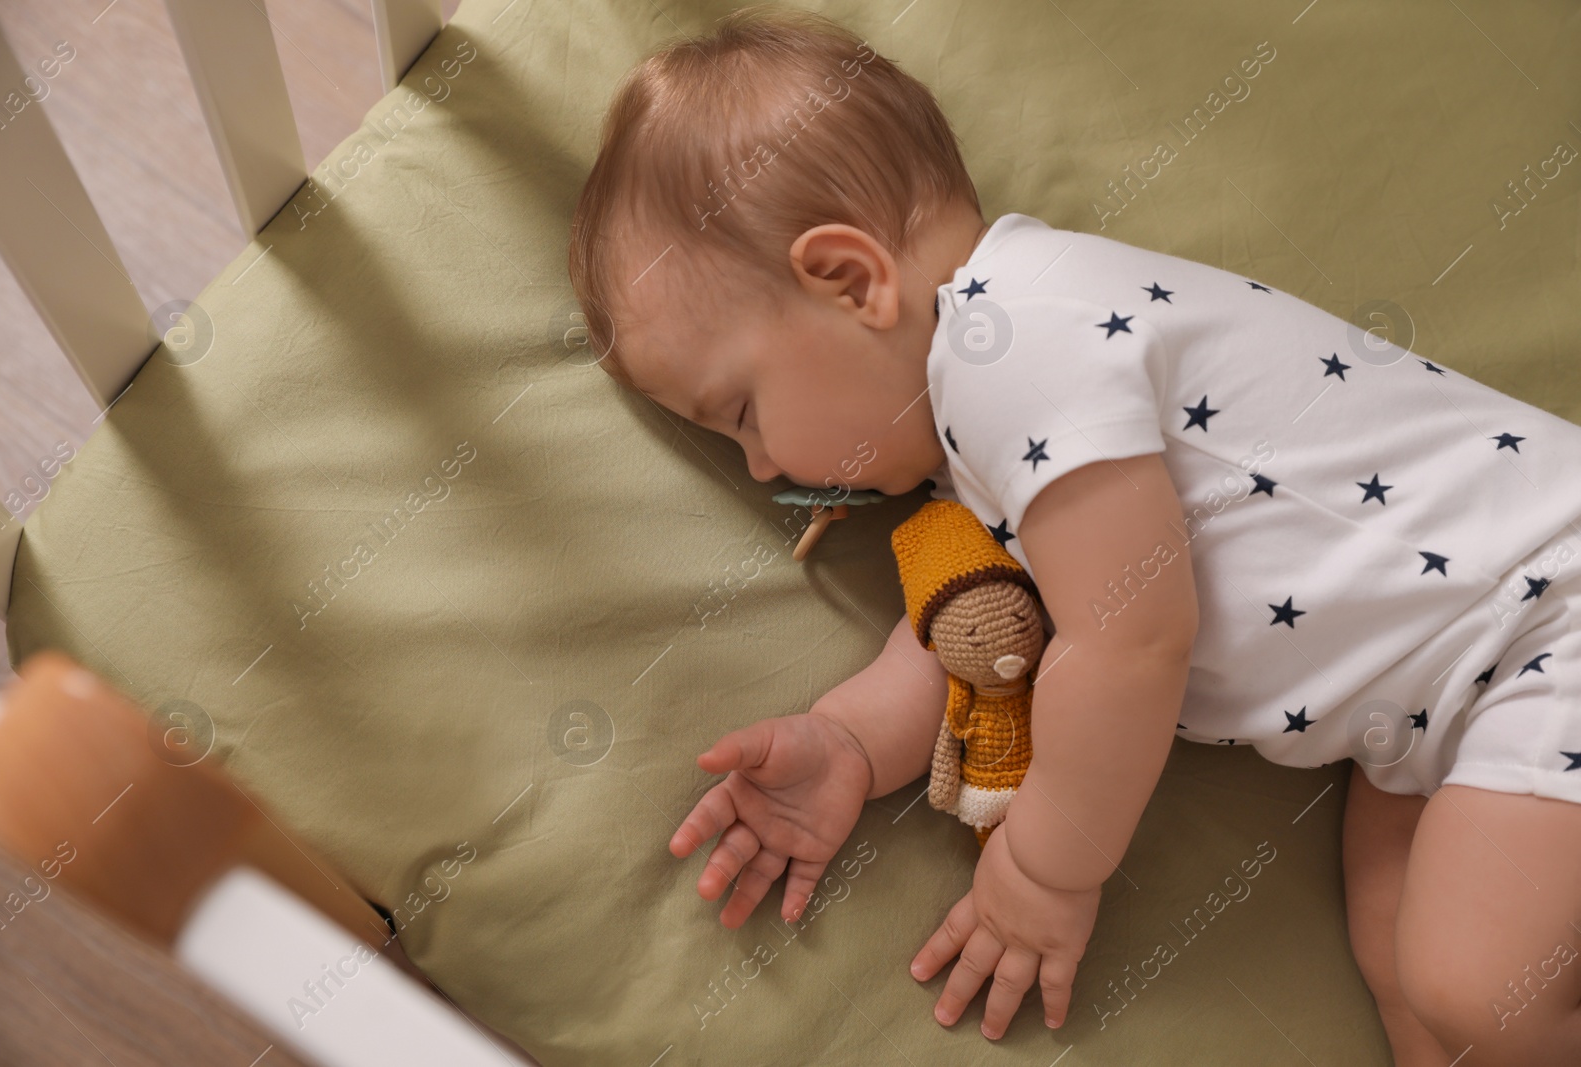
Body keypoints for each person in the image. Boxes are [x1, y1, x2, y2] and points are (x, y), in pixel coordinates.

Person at [567, 8, 1581, 1061]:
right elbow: (979, 629)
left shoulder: (1012, 339)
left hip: (1547, 616)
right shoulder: (993, 449)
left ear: (849, 279)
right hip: (1440, 714)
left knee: (1473, 984)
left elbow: (1127, 639)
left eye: (741, 416)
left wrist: (1048, 867)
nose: (766, 470)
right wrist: (849, 743)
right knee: (1417, 991)